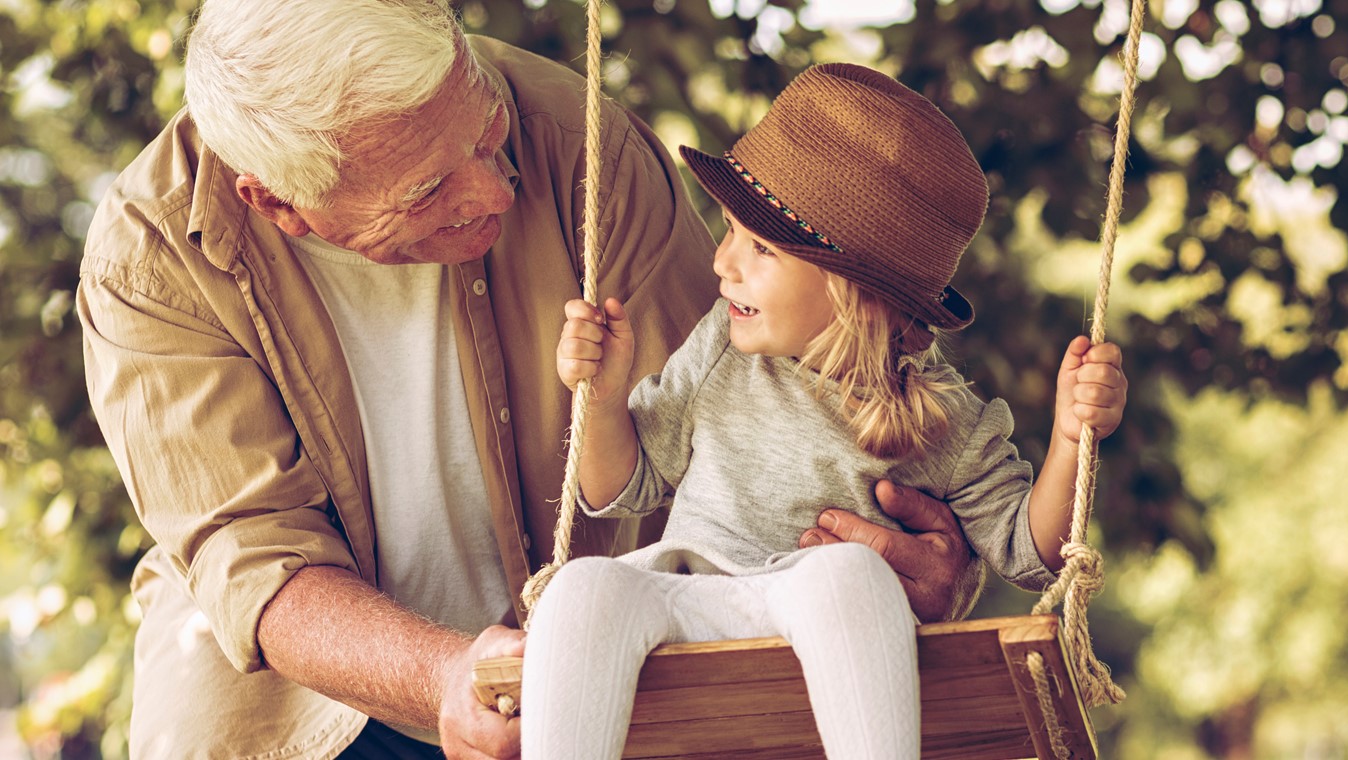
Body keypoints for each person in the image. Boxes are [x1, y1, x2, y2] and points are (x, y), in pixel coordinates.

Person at [76, 2, 980, 757]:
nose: (495, 190)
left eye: (485, 131)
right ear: (278, 203)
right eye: (429, 189)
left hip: (607, 652)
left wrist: (899, 566)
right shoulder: (147, 256)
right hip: (313, 696)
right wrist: (444, 677)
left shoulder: (576, 140)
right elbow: (255, 555)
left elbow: (748, 427)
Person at [520, 63, 1129, 759]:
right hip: (688, 604)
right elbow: (613, 489)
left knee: (848, 573)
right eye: (728, 231)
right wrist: (599, 397)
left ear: (849, 289)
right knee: (582, 588)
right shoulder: (722, 343)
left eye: (761, 247)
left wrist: (1071, 437)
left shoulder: (946, 421)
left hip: (825, 634)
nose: (724, 264)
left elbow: (1035, 552)